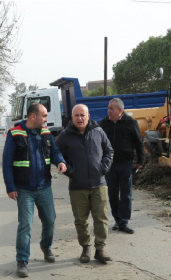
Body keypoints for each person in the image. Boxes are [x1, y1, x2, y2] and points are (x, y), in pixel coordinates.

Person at [2, 103, 67, 278]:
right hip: (24, 189)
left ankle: (46, 246)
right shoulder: (15, 134)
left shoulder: (45, 133)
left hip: (44, 187)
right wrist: (10, 186)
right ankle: (22, 261)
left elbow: (54, 151)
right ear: (33, 116)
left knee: (50, 220)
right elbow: (7, 162)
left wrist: (60, 161)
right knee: (25, 225)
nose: (46, 119)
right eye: (44, 116)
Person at [56, 104, 114, 264]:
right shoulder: (64, 136)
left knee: (101, 218)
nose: (80, 118)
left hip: (99, 184)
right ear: (72, 117)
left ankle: (100, 249)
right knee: (81, 220)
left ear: (88, 116)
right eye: (76, 115)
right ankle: (86, 248)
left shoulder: (98, 131)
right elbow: (57, 155)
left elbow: (109, 151)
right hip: (77, 186)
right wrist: (70, 171)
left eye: (83, 115)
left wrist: (103, 168)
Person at [99, 98, 144, 234]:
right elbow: (98, 142)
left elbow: (138, 142)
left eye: (111, 109)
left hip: (126, 164)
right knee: (112, 194)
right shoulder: (104, 123)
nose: (108, 111)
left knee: (125, 194)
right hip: (109, 165)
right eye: (108, 108)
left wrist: (141, 160)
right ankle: (117, 220)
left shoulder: (131, 122)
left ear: (120, 110)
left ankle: (123, 222)